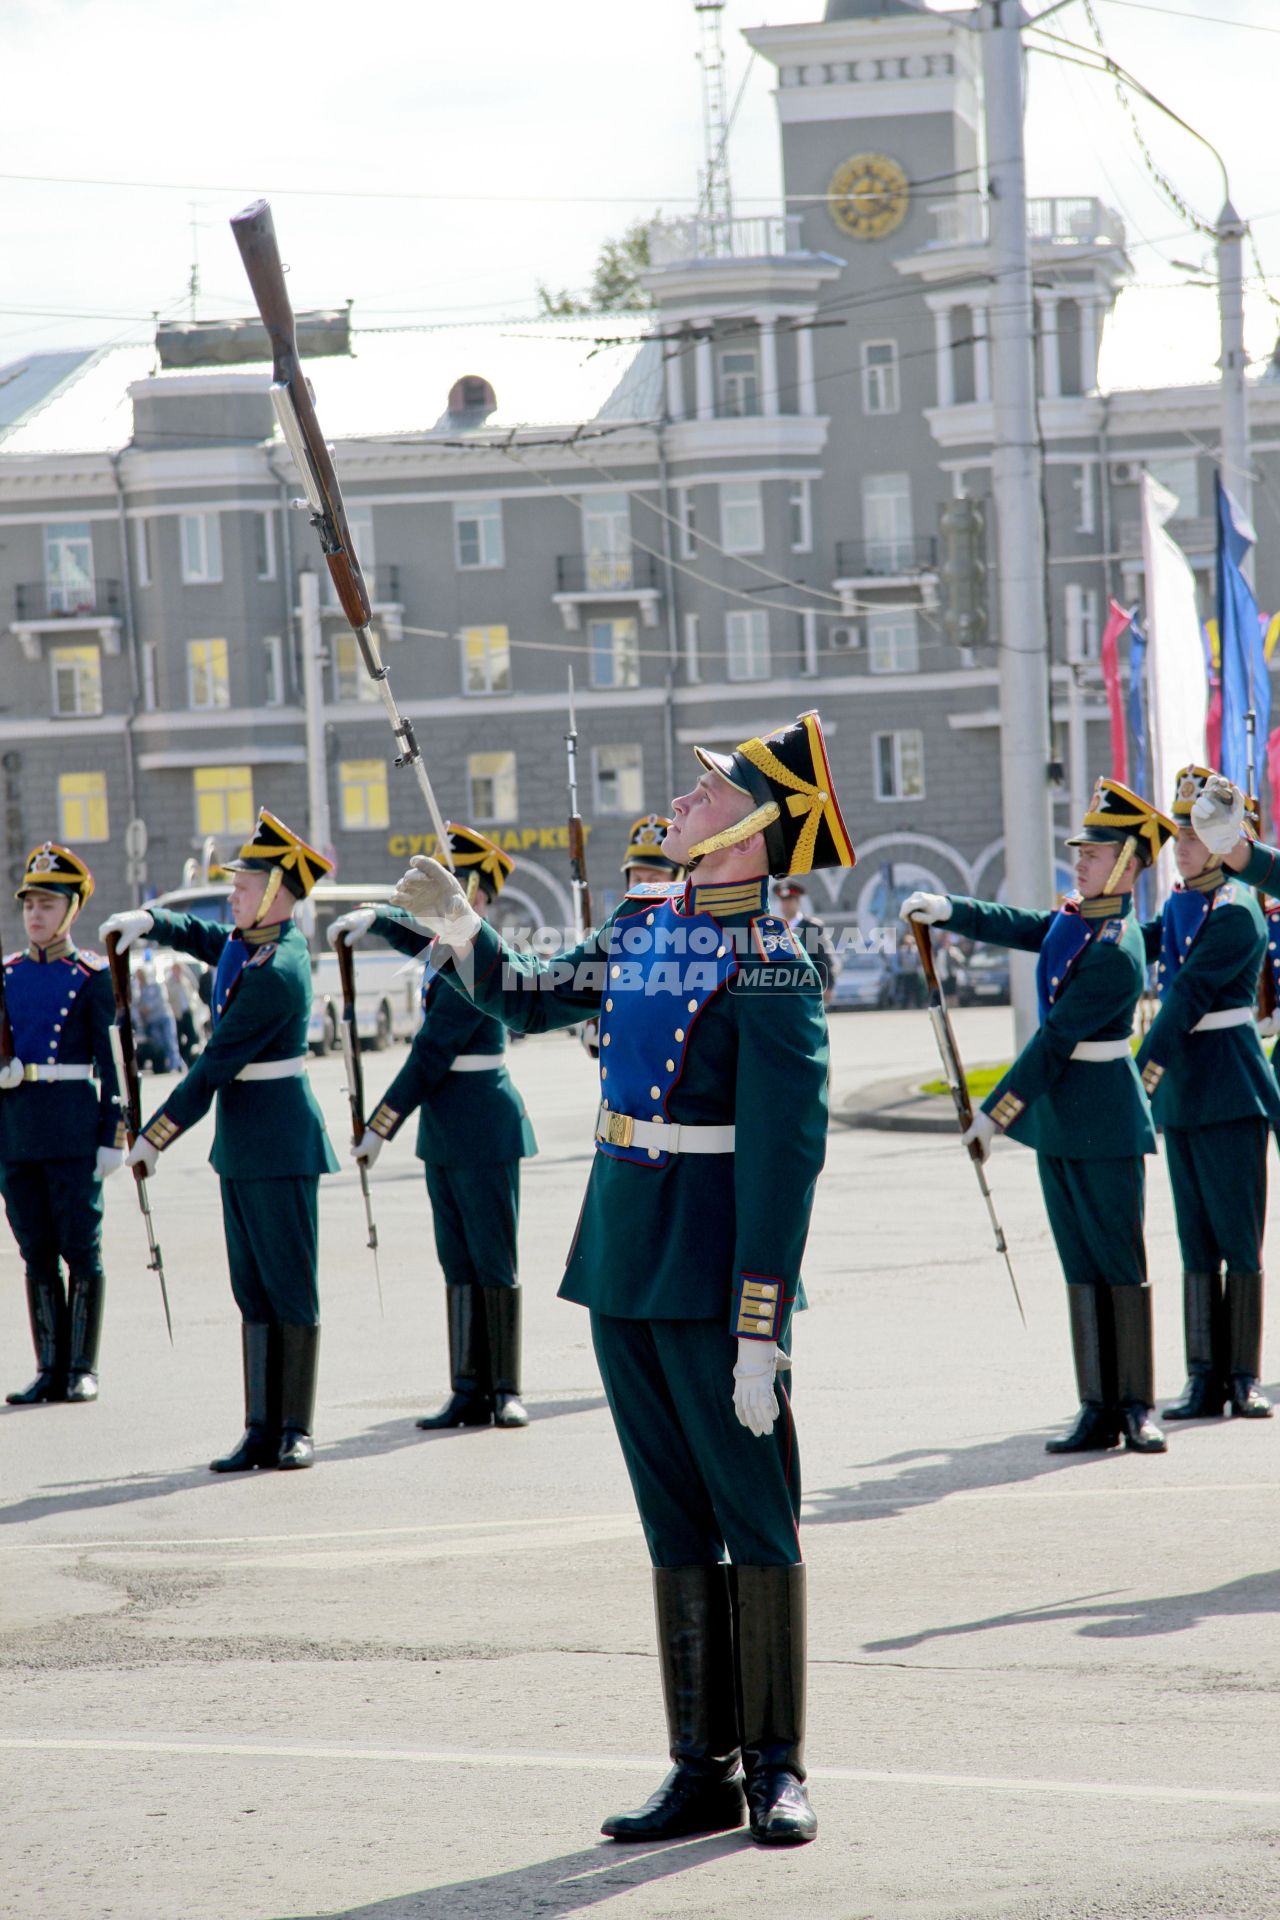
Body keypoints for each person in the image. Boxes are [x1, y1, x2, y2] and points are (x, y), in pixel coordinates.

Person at [391, 711, 852, 1848]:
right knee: (670, 1517)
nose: (686, 803)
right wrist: (463, 937)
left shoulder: (770, 969)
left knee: (755, 1517)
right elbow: (538, 991)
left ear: (753, 829)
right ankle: (698, 1764)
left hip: (708, 1270)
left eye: (709, 794)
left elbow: (784, 1164)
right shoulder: (649, 928)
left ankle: (778, 1767)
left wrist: (761, 1325)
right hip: (622, 1253)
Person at [903, 777, 1176, 1456]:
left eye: (1093, 852)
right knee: (1079, 1260)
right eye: (1080, 851)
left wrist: (995, 1115)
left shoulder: (1117, 947)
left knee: (1118, 1261)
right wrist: (951, 910)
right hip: (1062, 1119)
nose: (1079, 860)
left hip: (1105, 1114)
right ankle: (1096, 1407)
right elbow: (1027, 927)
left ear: (1129, 864)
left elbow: (1055, 1042)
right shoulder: (1080, 918)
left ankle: (1137, 1405)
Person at [100, 810, 339, 1472]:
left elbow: (210, 1067)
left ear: (278, 892)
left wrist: (154, 1137)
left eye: (245, 884)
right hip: (242, 1144)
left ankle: (295, 1428)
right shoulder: (248, 941)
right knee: (252, 1290)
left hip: (281, 1142)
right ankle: (259, 1427)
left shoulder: (281, 968)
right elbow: (213, 939)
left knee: (290, 1288)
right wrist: (155, 923)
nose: (232, 894)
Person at [328, 826, 537, 1432]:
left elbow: (430, 1053)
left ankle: (506, 1387)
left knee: (493, 1261)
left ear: (476, 894)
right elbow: (421, 940)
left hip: (482, 1124)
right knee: (458, 1262)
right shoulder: (451, 954)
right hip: (448, 1130)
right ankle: (469, 1387)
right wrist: (377, 916)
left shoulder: (478, 960)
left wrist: (379, 1127)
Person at [1132, 766, 1278, 1422]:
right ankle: (1202, 1376)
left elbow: (1185, 998)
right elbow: (1137, 947)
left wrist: (1140, 1074)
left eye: (1193, 833)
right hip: (1189, 1097)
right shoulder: (1181, 903)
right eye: (1178, 833)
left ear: (1225, 838)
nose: (1181, 845)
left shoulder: (1238, 912)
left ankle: (1242, 1375)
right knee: (1195, 1242)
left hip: (1230, 1089)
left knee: (1238, 1242)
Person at [1, 843, 122, 1405]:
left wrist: (112, 1135)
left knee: (81, 1246)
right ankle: (49, 1366)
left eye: (48, 903)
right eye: (30, 904)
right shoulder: (6, 976)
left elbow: (115, 1062)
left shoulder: (93, 976)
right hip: (19, 1132)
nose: (35, 914)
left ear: (73, 909)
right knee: (36, 1248)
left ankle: (81, 1365)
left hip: (73, 1129)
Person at [771, 880, 838, 1008]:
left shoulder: (812, 926)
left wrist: (828, 986)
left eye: (789, 900)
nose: (785, 905)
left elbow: (825, 957)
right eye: (783, 901)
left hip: (808, 987)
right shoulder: (777, 928)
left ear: (798, 902)